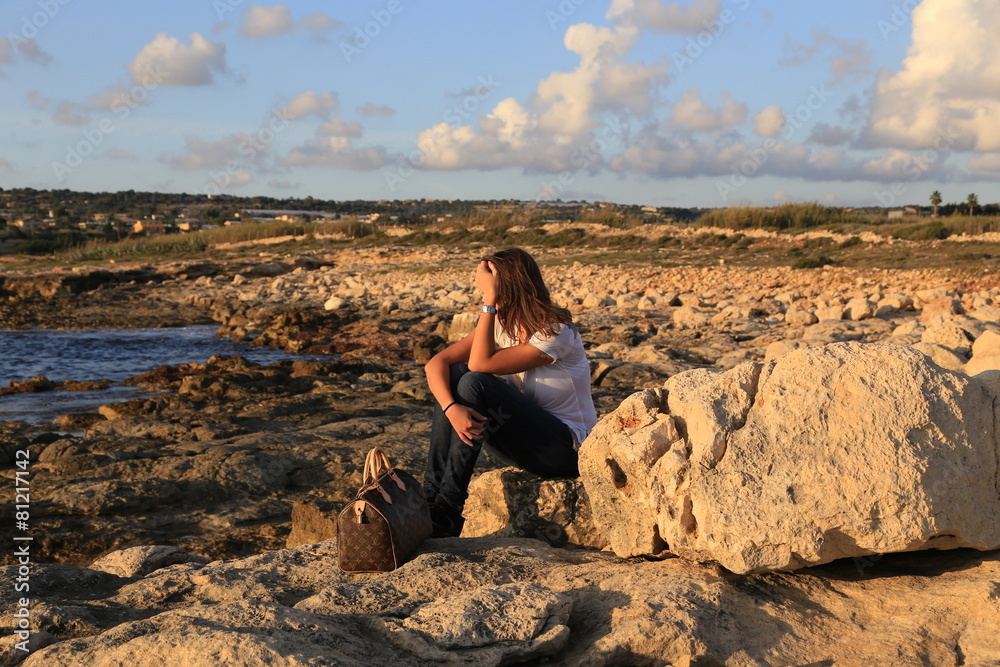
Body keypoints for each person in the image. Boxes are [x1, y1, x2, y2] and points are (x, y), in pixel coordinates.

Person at [422, 248, 598, 537]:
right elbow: (436, 364)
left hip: (567, 449)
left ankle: (448, 509)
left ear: (509, 285)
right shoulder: (502, 326)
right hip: (526, 445)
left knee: (473, 381)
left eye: (490, 285)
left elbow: (480, 365)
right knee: (455, 376)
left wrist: (489, 303)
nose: (485, 292)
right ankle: (430, 499)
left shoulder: (555, 332)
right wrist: (451, 409)